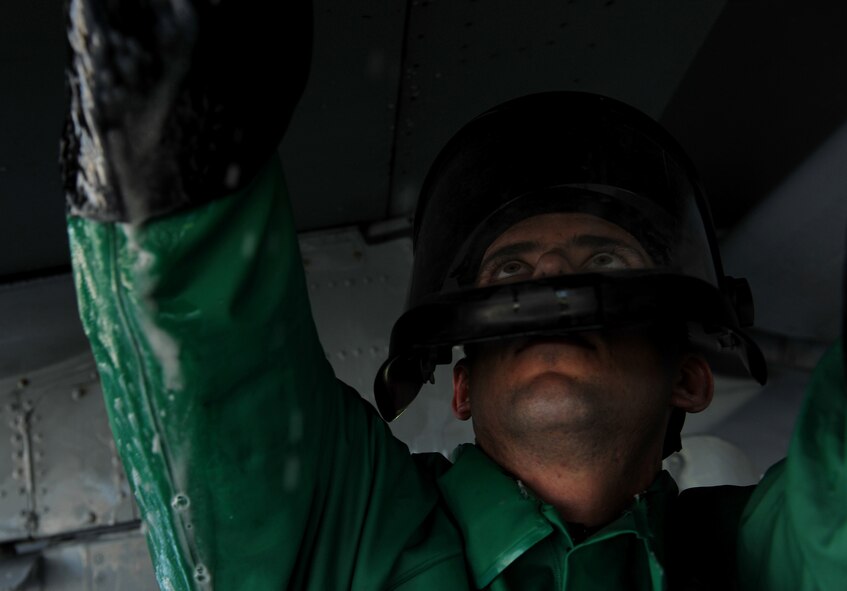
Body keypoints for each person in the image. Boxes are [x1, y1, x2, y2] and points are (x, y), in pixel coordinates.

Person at [61, 1, 845, 589]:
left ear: (688, 375)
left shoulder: (755, 560)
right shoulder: (355, 529)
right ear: (463, 384)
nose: (553, 275)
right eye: (510, 272)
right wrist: (165, 111)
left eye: (602, 258)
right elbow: (218, 384)